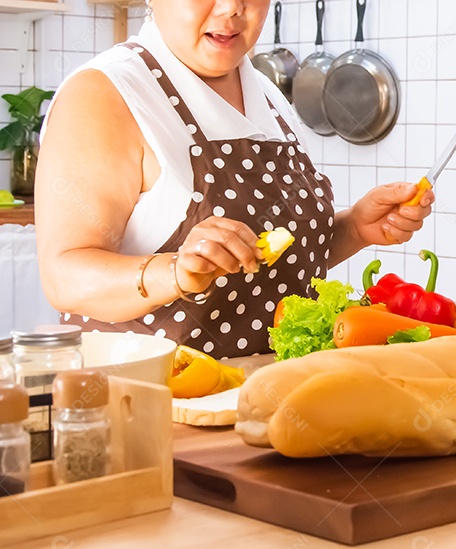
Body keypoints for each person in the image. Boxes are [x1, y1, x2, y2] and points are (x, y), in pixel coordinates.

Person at [34, 0, 432, 358]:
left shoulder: (267, 94)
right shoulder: (106, 92)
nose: (231, 8)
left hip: (267, 405)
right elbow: (64, 276)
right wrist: (175, 271)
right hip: (151, 406)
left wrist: (355, 229)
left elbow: (269, 266)